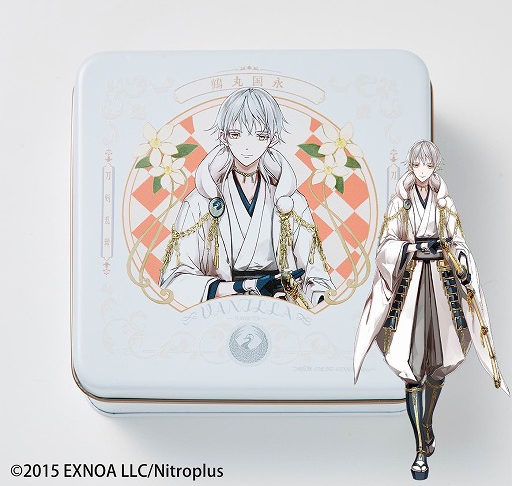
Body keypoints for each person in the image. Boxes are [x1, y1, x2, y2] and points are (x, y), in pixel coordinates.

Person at [353, 140, 508, 480]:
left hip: (440, 284)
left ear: (435, 167)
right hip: (409, 285)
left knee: (439, 364)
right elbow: (385, 245)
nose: (422, 171)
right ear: (411, 166)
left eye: (428, 166)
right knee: (410, 367)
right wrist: (408, 249)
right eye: (417, 165)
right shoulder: (401, 202)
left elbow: (459, 240)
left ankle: (427, 421)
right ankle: (420, 449)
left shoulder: (444, 202)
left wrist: (459, 258)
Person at [159, 87, 334, 308]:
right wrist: (243, 287)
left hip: (282, 307)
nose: (247, 146)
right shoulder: (200, 201)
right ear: (223, 136)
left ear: (272, 138)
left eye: (260, 136)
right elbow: (173, 281)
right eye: (236, 134)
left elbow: (315, 275)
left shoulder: (291, 201)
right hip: (219, 308)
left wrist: (320, 300)